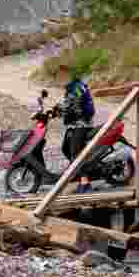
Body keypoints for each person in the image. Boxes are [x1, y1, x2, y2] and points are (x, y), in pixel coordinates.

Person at [57, 63, 97, 193]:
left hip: (82, 124)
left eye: (62, 75)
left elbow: (71, 103)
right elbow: (66, 104)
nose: (60, 78)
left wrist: (59, 110)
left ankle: (85, 183)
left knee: (75, 152)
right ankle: (78, 172)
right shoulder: (71, 88)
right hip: (74, 124)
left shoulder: (78, 87)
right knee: (65, 148)